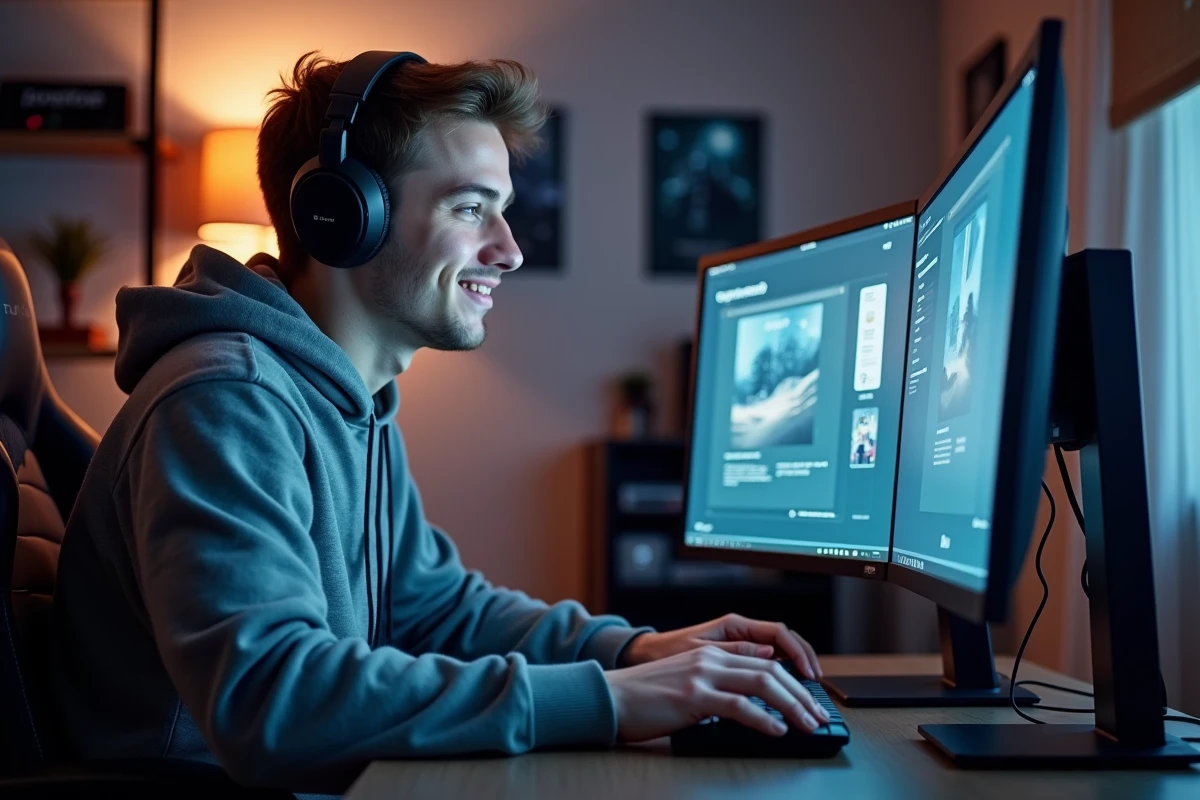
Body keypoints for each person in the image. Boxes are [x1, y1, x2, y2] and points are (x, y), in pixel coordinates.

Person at [50, 51, 829, 794]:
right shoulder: (227, 400)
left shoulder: (351, 402)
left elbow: (436, 608)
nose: (511, 251)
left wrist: (634, 650)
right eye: (470, 209)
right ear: (341, 215)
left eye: (505, 213)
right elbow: (268, 696)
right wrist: (614, 700)